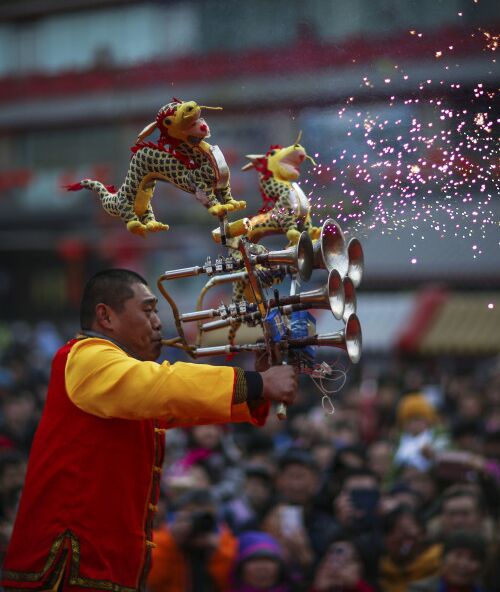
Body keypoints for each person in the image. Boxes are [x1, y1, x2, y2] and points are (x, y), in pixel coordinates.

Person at [1, 269, 298, 592]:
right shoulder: (86, 356)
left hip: (107, 567)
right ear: (106, 316)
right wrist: (256, 383)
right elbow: (165, 386)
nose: (158, 322)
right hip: (67, 570)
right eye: (148, 310)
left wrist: (259, 387)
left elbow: (182, 404)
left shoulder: (126, 379)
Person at [147, 488, 238, 592]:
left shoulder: (225, 539)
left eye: (205, 516)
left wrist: (216, 552)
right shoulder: (162, 537)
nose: (199, 522)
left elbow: (231, 584)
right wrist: (171, 541)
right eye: (193, 516)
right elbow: (151, 581)